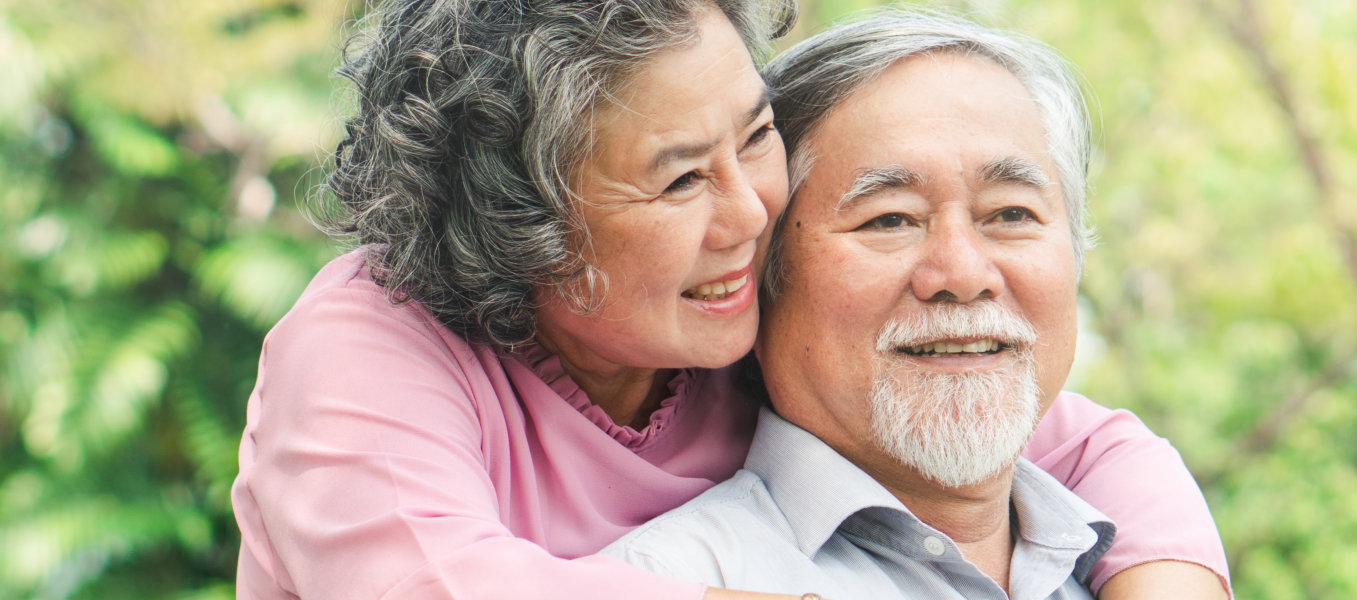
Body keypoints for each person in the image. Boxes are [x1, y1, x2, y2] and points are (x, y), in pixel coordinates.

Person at [229, 0, 1228, 599]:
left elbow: (1060, 425)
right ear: (530, 228)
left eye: (754, 136)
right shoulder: (367, 348)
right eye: (677, 181)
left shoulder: (725, 322)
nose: (756, 210)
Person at [600, 11, 1230, 599]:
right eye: (890, 219)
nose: (962, 273)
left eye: (1012, 213)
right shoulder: (672, 579)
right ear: (759, 278)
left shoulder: (1128, 551)